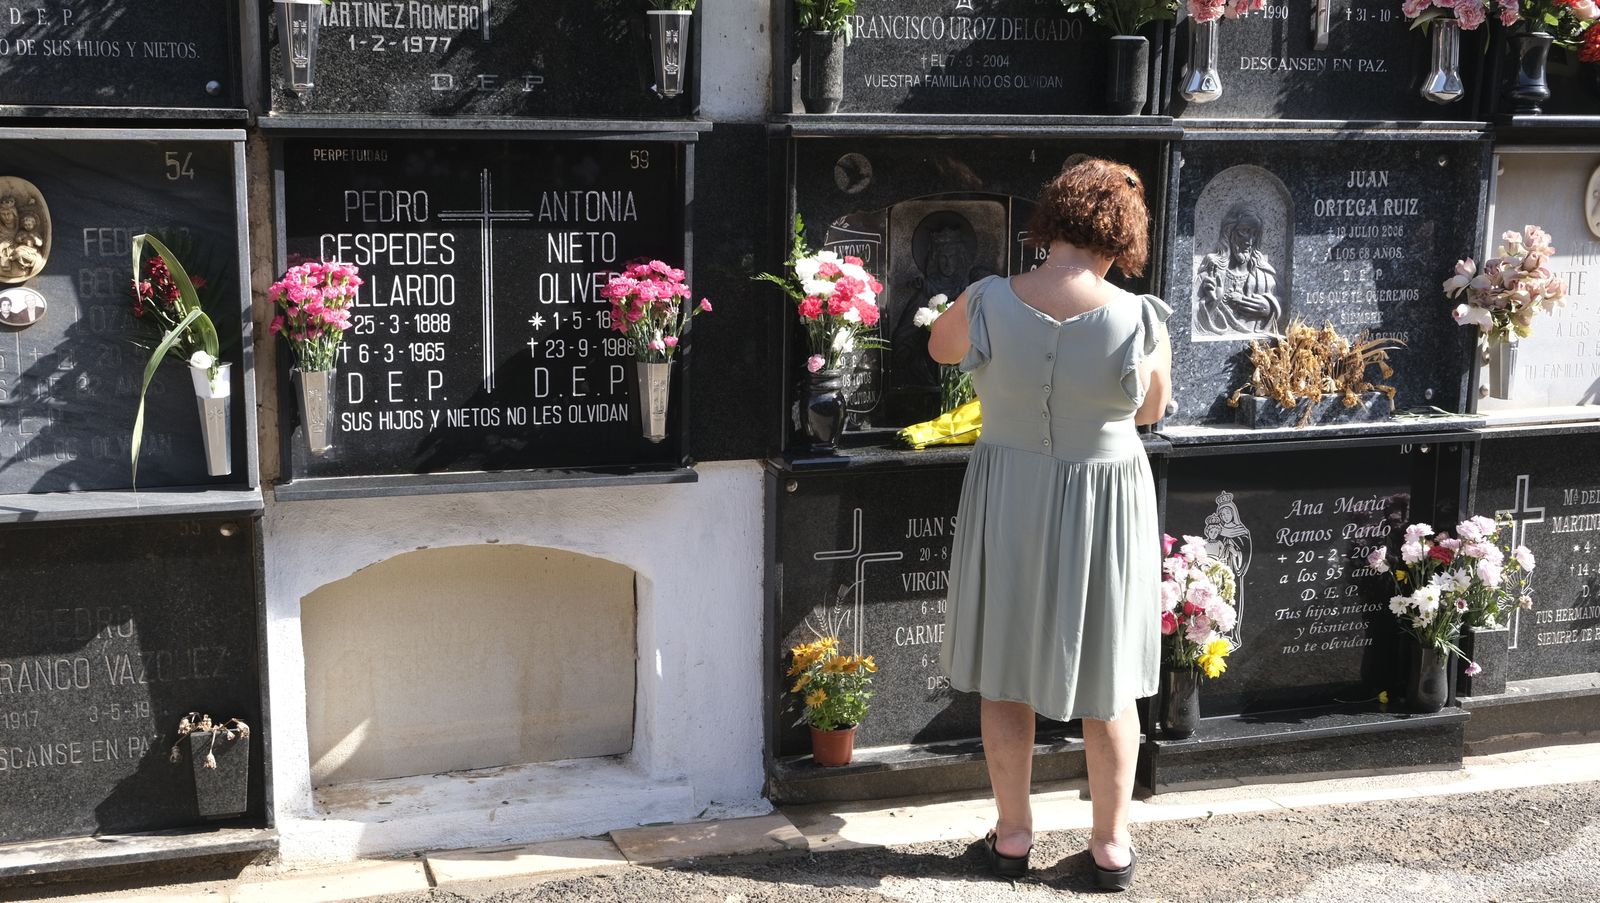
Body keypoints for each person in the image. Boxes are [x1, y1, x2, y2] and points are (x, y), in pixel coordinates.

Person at [929, 157, 1171, 891]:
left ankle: (1012, 836)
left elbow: (941, 349)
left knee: (1005, 673)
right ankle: (1110, 847)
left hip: (1010, 492)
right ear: (1124, 233)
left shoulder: (987, 298)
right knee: (1109, 676)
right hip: (1106, 498)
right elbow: (1151, 410)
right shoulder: (1140, 316)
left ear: (1052, 218)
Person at [1193, 203, 1282, 338]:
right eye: (1244, 232)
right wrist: (1211, 302)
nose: (1249, 241)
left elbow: (1289, 306)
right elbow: (1186, 319)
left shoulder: (1265, 278)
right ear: (1229, 232)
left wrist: (1270, 308)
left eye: (1254, 234)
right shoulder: (1209, 276)